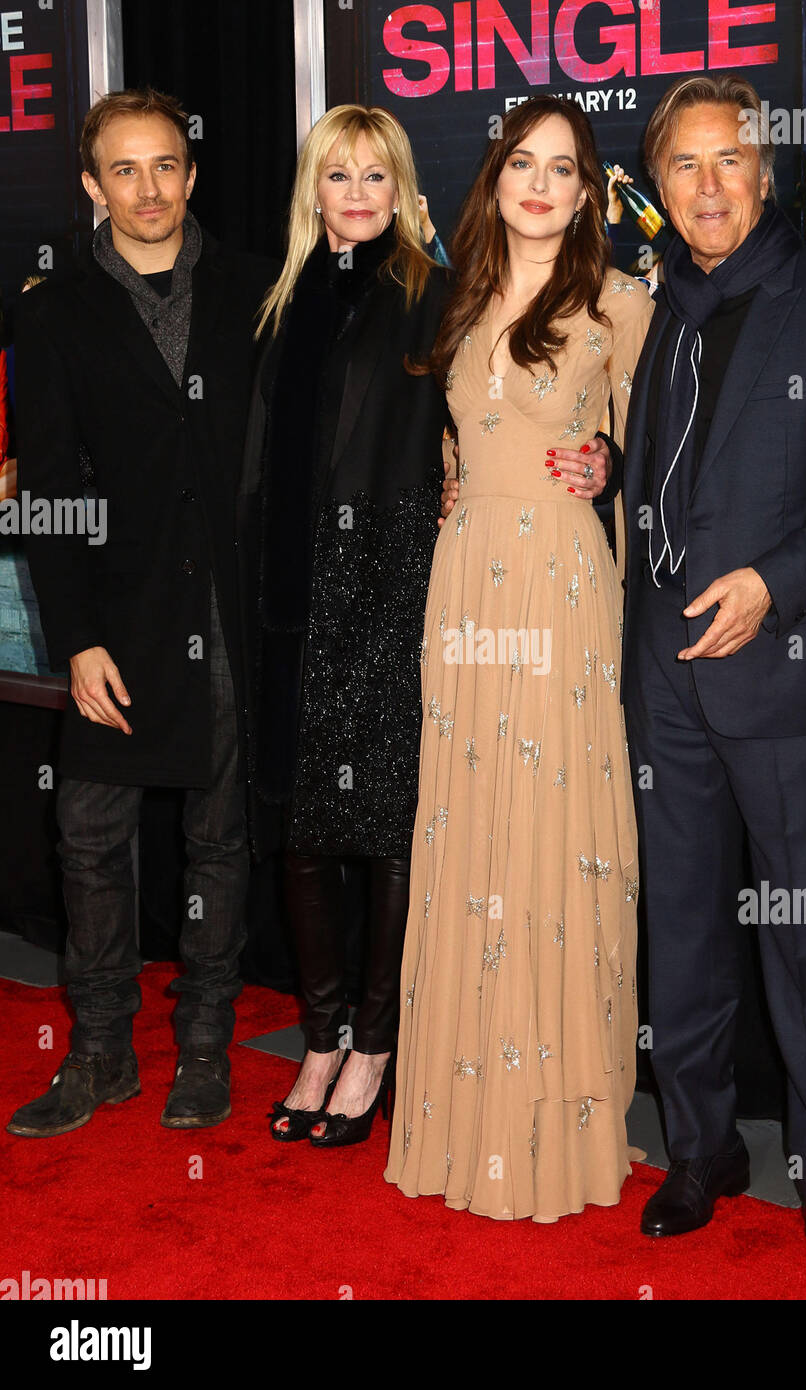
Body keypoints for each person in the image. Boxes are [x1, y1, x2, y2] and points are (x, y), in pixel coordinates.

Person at [612, 74, 806, 1295]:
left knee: (800, 945)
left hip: (778, 671)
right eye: (682, 165)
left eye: (728, 160)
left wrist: (768, 588)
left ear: (769, 170)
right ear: (661, 185)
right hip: (662, 676)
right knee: (679, 931)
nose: (706, 185)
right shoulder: (656, 310)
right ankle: (701, 1152)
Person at [384, 95, 653, 1221]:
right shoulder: (449, 297)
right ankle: (466, 1109)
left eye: (564, 168)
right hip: (465, 580)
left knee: (555, 837)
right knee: (470, 828)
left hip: (559, 585)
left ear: (589, 192)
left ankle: (561, 1124)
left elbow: (666, 463)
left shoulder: (621, 303)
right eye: (522, 164)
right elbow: (447, 439)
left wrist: (611, 469)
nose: (539, 184)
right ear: (493, 178)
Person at [7, 88, 273, 1137]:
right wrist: (74, 636)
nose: (149, 189)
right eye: (124, 170)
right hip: (113, 622)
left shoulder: (256, 290)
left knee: (219, 841)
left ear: (191, 172)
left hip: (225, 618)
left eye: (165, 165)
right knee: (88, 839)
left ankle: (205, 1049)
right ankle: (101, 1053)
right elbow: (52, 487)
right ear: (89, 186)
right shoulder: (53, 309)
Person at [239, 105, 451, 1148]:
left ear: (402, 189)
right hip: (290, 603)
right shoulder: (281, 304)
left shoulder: (435, 296)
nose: (357, 192)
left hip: (389, 594)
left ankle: (374, 1043)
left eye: (376, 174)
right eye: (338, 175)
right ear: (312, 191)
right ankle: (317, 1037)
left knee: (386, 826)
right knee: (303, 826)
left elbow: (474, 423)